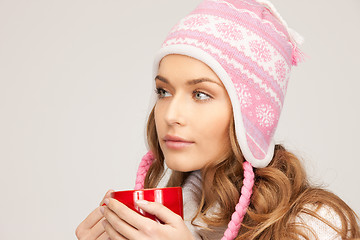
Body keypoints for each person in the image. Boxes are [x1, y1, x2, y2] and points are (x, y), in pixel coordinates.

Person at [76, 0, 360, 239]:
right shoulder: (171, 220)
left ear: (250, 115)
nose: (171, 115)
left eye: (200, 94)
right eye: (163, 91)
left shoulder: (317, 225)